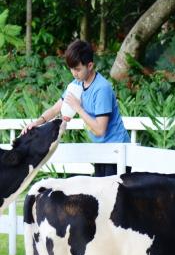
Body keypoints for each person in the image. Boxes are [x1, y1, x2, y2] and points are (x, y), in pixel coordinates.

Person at [23, 39, 131, 177]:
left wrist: (78, 108)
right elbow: (55, 109)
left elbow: (100, 130)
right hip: (101, 151)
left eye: (77, 69)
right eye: (71, 69)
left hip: (117, 151)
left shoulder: (101, 89)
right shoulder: (77, 84)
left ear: (90, 65)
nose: (74, 73)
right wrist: (37, 122)